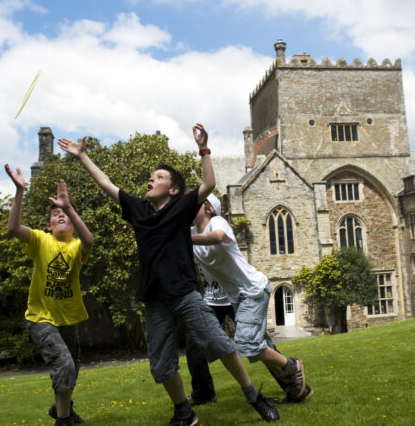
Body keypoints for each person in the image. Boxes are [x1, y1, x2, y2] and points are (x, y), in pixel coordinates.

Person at [59, 124, 279, 426]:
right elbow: (106, 183)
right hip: (154, 301)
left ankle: (254, 395)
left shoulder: (180, 208)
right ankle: (184, 412)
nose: (152, 178)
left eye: (159, 177)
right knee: (162, 365)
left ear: (173, 190)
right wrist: (82, 156)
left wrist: (203, 148)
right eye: (152, 176)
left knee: (221, 344)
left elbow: (209, 183)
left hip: (186, 293)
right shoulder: (137, 209)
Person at [186, 194, 314, 405]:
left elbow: (218, 237)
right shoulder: (189, 232)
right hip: (217, 298)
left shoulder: (218, 222)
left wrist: (185, 238)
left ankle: (294, 380)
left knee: (255, 344)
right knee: (196, 343)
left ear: (209, 209)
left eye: (195, 203)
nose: (189, 206)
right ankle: (204, 393)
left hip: (247, 292)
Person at [5, 165, 94, 426]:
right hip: (40, 318)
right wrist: (20, 191)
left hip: (68, 319)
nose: (61, 216)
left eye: (65, 213)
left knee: (71, 368)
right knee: (64, 364)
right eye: (56, 214)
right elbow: (13, 228)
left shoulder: (78, 247)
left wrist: (69, 207)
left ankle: (61, 409)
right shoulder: (41, 241)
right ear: (49, 224)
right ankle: (63, 421)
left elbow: (89, 240)